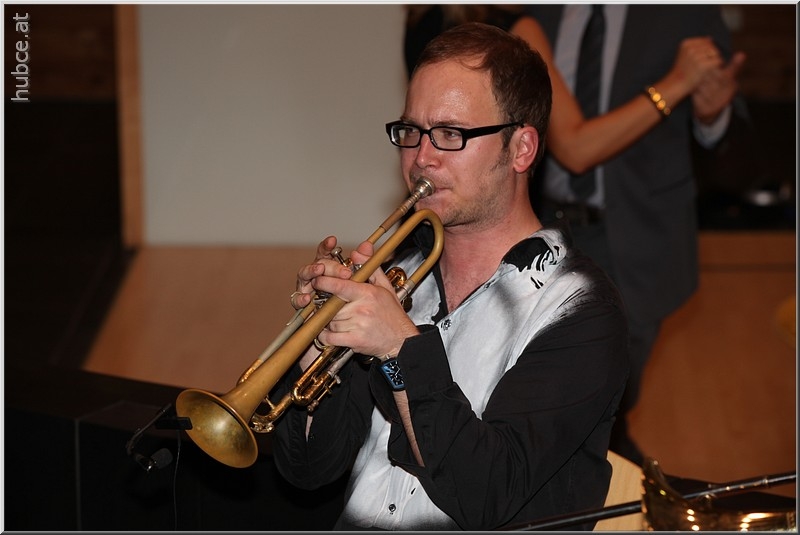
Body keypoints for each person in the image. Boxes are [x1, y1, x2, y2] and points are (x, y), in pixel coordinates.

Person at [271, 23, 629, 531]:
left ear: (521, 148)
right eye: (411, 131)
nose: (422, 157)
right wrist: (317, 348)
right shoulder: (396, 278)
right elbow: (309, 471)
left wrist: (400, 350)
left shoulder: (580, 308)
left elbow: (488, 494)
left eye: (450, 134)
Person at [525, 4, 745, 464]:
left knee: (614, 392)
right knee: (545, 383)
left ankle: (608, 463)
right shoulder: (536, 14)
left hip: (637, 236)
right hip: (543, 228)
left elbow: (725, 126)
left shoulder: (686, 12)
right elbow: (563, 141)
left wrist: (712, 114)